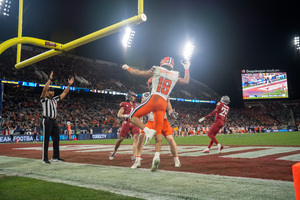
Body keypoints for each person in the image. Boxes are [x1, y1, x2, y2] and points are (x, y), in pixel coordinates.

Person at [122, 57, 190, 148]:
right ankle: (158, 155)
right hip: (163, 103)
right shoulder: (175, 74)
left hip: (154, 99)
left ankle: (147, 131)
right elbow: (186, 81)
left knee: (132, 117)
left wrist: (127, 68)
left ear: (162, 63)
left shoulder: (157, 69)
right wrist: (187, 68)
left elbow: (139, 73)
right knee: (159, 134)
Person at [131, 77, 181, 171]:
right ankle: (137, 160)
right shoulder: (145, 95)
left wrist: (171, 113)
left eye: (152, 84)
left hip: (163, 120)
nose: (151, 86)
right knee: (141, 137)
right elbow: (142, 110)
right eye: (150, 84)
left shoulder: (164, 95)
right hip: (151, 121)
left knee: (170, 139)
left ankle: (176, 159)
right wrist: (140, 122)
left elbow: (169, 108)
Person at [40, 71, 74, 164]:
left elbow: (64, 94)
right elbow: (44, 90)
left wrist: (69, 85)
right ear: (47, 92)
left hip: (54, 121)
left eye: (53, 90)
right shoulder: (44, 99)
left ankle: (55, 157)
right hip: (47, 120)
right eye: (50, 90)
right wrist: (50, 79)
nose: (52, 92)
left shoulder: (55, 100)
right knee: (46, 140)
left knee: (56, 139)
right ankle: (45, 159)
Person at [109, 91, 140, 160]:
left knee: (136, 138)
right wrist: (126, 115)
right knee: (120, 139)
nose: (134, 98)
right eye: (133, 96)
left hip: (134, 123)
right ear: (129, 96)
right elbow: (119, 114)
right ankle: (114, 152)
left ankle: (134, 156)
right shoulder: (124, 104)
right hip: (127, 123)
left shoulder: (136, 105)